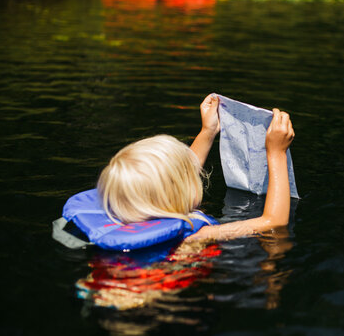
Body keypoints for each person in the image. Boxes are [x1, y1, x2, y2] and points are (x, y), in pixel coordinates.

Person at [97, 94, 295, 242]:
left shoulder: (126, 215)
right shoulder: (196, 236)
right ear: (171, 198)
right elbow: (274, 221)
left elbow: (177, 178)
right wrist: (276, 153)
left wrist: (208, 131)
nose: (193, 175)